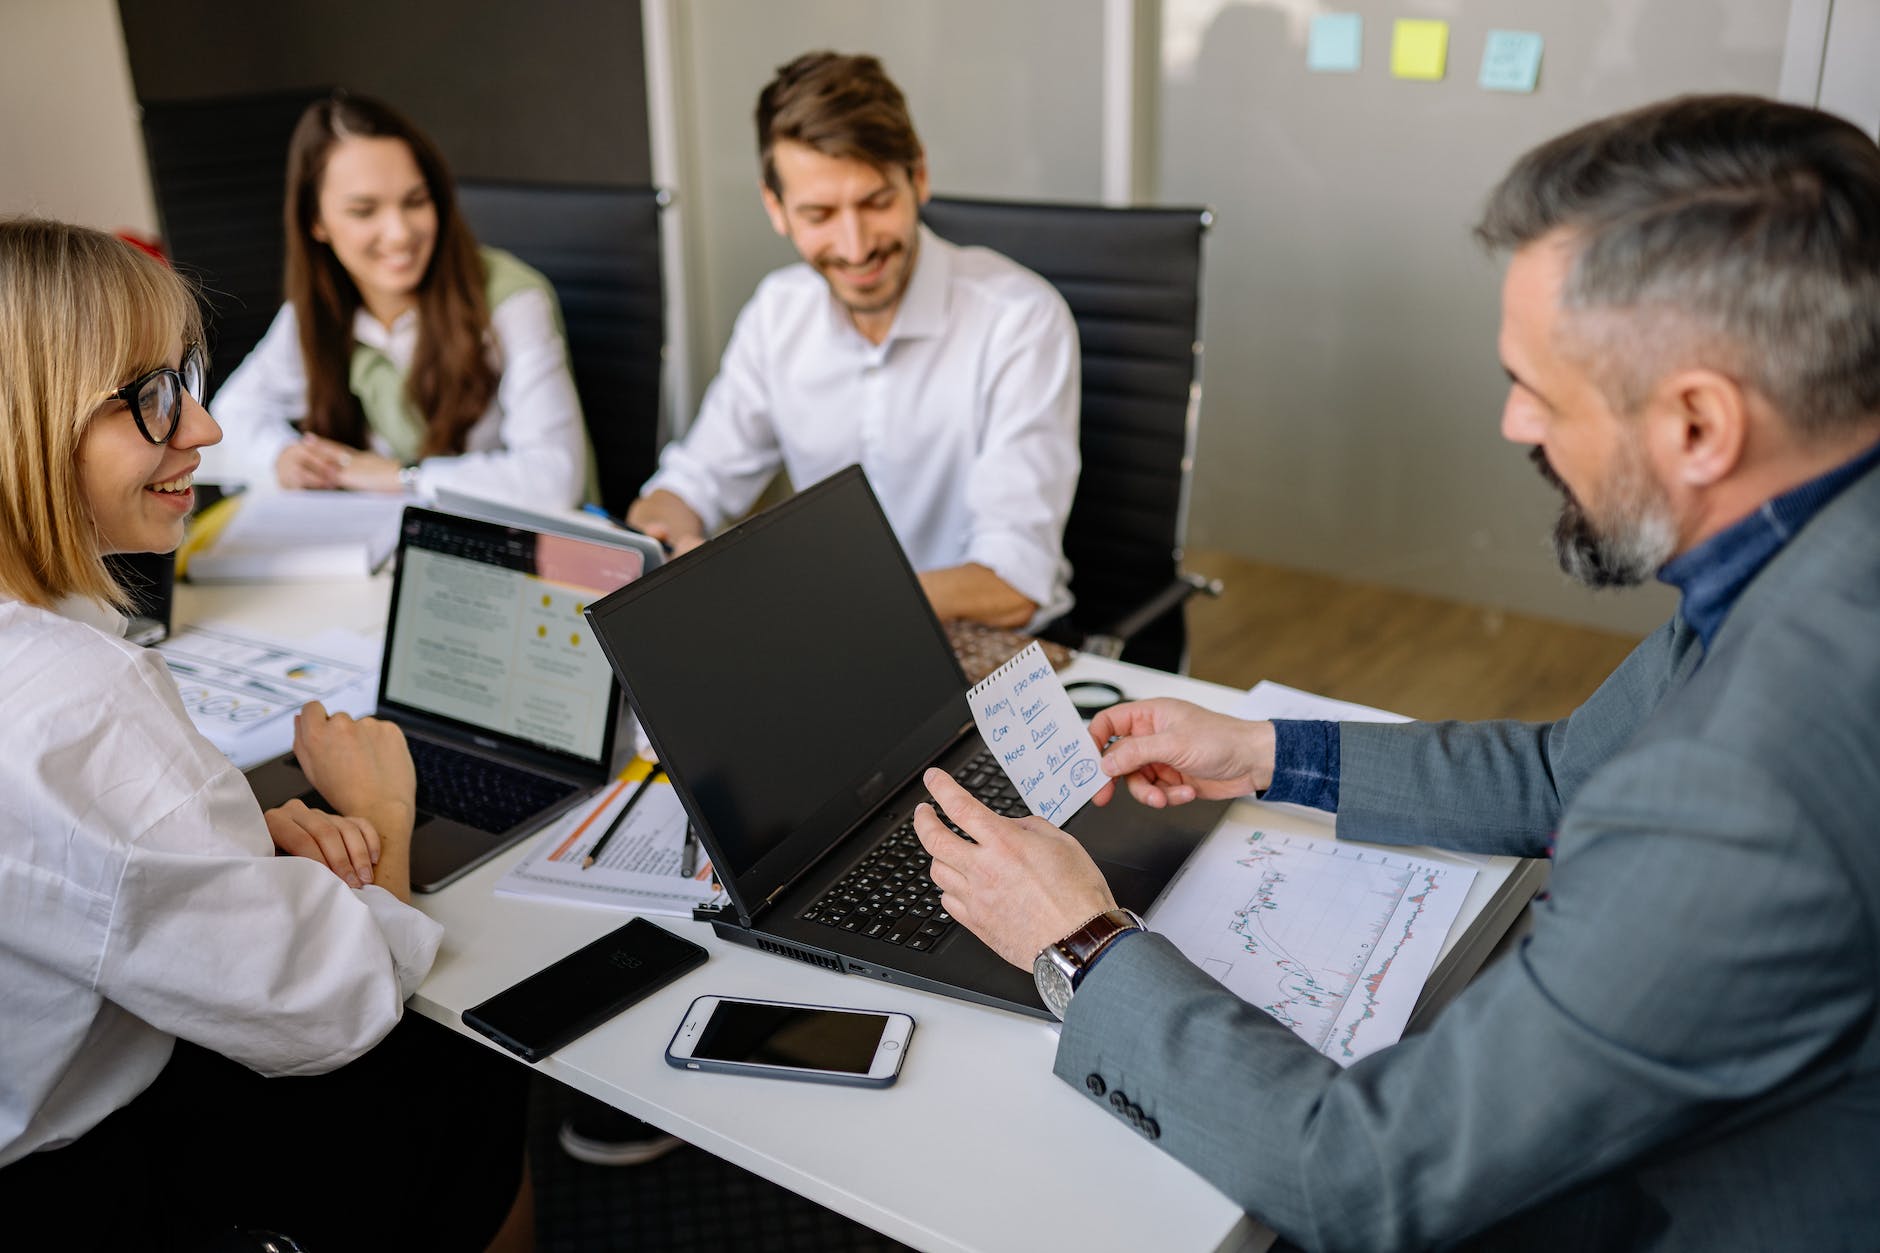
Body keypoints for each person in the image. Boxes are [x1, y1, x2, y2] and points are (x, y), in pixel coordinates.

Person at [915, 95, 1880, 1250]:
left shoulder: (1751, 785)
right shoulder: (1804, 548)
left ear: (1695, 424)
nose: (1513, 423)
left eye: (1539, 387)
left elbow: (1362, 1177)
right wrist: (1264, 750)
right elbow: (1572, 766)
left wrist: (1077, 941)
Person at [0, 218, 529, 1251]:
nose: (201, 428)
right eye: (150, 396)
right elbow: (331, 1002)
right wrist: (377, 816)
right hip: (80, 1188)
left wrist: (231, 846)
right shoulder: (74, 703)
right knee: (466, 1067)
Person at [628, 51, 1080, 629]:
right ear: (777, 209)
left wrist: (817, 599)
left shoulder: (1019, 319)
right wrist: (663, 532)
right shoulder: (777, 313)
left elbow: (1013, 584)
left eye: (876, 202)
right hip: (830, 630)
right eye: (818, 214)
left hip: (984, 642)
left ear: (918, 177)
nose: (855, 245)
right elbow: (692, 483)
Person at [209, 92, 589, 507]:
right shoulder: (316, 310)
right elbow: (230, 418)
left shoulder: (512, 302)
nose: (400, 233)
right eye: (364, 210)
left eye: (415, 201)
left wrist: (397, 477)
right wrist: (281, 455)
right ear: (315, 221)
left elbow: (555, 478)